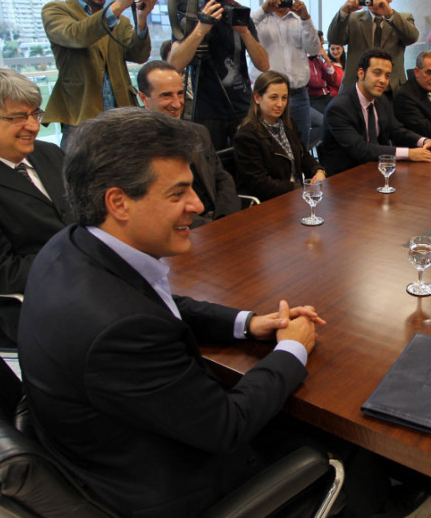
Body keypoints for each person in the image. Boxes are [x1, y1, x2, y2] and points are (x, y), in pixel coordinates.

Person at [17, 107, 326, 517]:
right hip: (175, 486)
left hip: (109, 442)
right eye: (177, 193)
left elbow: (155, 303)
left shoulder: (70, 245)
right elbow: (226, 425)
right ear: (118, 202)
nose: (198, 205)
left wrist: (248, 323)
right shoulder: (119, 332)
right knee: (334, 437)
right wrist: (292, 349)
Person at [0, 65, 71, 349]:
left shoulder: (50, 153)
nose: (34, 126)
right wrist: (82, 259)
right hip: (28, 306)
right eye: (18, 117)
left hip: (87, 282)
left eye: (35, 114)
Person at [42, 0, 154, 150]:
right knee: (82, 175)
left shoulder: (120, 20)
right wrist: (117, 6)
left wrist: (142, 20)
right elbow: (77, 35)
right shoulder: (56, 11)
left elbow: (139, 55)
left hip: (121, 116)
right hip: (80, 115)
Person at [169, 0, 270, 153]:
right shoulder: (192, 17)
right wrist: (202, 27)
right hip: (208, 111)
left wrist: (244, 32)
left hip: (242, 107)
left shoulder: (239, 16)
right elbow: (174, 65)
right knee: (212, 168)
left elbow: (264, 64)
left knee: (249, 162)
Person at [136, 60, 240, 227]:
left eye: (180, 93)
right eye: (166, 95)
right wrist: (207, 229)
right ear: (144, 98)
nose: (177, 104)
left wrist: (225, 220)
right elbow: (156, 206)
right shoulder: (136, 147)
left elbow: (222, 178)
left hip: (220, 223)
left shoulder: (199, 133)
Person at [320, 49, 431, 176]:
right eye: (377, 73)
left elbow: (396, 130)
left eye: (387, 75)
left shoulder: (381, 99)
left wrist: (423, 141)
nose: (383, 80)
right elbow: (361, 149)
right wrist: (409, 153)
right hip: (346, 178)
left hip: (376, 171)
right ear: (361, 73)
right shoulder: (338, 108)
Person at [250, 0, 320, 144]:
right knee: (268, 145)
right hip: (267, 96)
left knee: (300, 144)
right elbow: (244, 32)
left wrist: (305, 17)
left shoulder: (299, 19)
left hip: (298, 95)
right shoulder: (258, 18)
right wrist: (264, 10)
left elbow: (313, 49)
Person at [234, 71, 325, 202]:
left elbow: (303, 155)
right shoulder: (246, 136)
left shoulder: (288, 124)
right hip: (269, 203)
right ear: (257, 98)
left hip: (295, 197)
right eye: (273, 97)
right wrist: (300, 188)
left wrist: (318, 171)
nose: (280, 104)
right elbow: (261, 185)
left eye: (284, 98)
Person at [327, 0, 419, 93]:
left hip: (391, 89)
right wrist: (344, 11)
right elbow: (334, 39)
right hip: (357, 88)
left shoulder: (401, 19)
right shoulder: (353, 19)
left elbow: (411, 37)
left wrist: (389, 14)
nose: (374, 0)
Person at [307, 40, 342, 112]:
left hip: (326, 96)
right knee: (326, 117)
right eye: (321, 45)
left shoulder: (319, 61)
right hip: (314, 98)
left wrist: (327, 60)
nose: (322, 49)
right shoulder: (305, 61)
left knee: (343, 110)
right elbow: (315, 83)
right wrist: (325, 82)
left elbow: (332, 80)